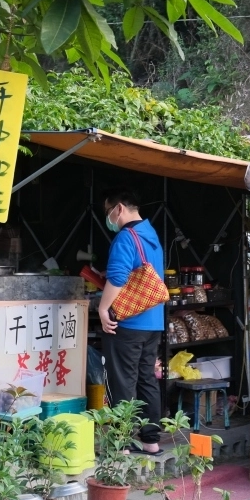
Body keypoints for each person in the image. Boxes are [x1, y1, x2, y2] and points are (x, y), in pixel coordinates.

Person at [98, 187, 165, 456]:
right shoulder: (151, 234)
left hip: (128, 324)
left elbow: (117, 276)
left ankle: (121, 443)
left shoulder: (126, 237)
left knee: (122, 382)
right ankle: (151, 441)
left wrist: (104, 308)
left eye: (108, 211)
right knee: (147, 379)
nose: (108, 217)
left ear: (119, 209)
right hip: (153, 322)